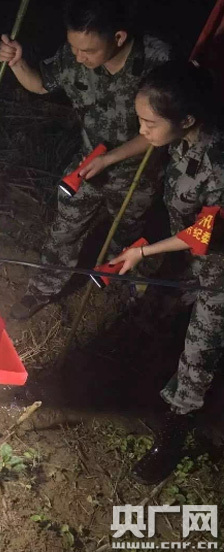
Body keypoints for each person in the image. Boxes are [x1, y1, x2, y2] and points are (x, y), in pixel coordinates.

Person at [0, 0, 173, 320]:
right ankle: (43, 288)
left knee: (128, 234)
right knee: (65, 227)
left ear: (118, 37)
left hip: (138, 173)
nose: (78, 57)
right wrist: (17, 64)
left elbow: (160, 133)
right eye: (74, 47)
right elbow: (41, 84)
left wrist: (111, 159)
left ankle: (123, 289)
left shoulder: (156, 61)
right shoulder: (76, 53)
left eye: (87, 50)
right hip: (89, 164)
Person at [110, 60, 224, 485]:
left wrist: (145, 252)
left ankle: (175, 433)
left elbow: (203, 233)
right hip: (194, 255)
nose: (143, 131)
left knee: (200, 350)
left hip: (219, 263)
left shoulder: (219, 161)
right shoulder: (179, 139)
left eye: (149, 123)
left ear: (187, 119)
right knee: (158, 311)